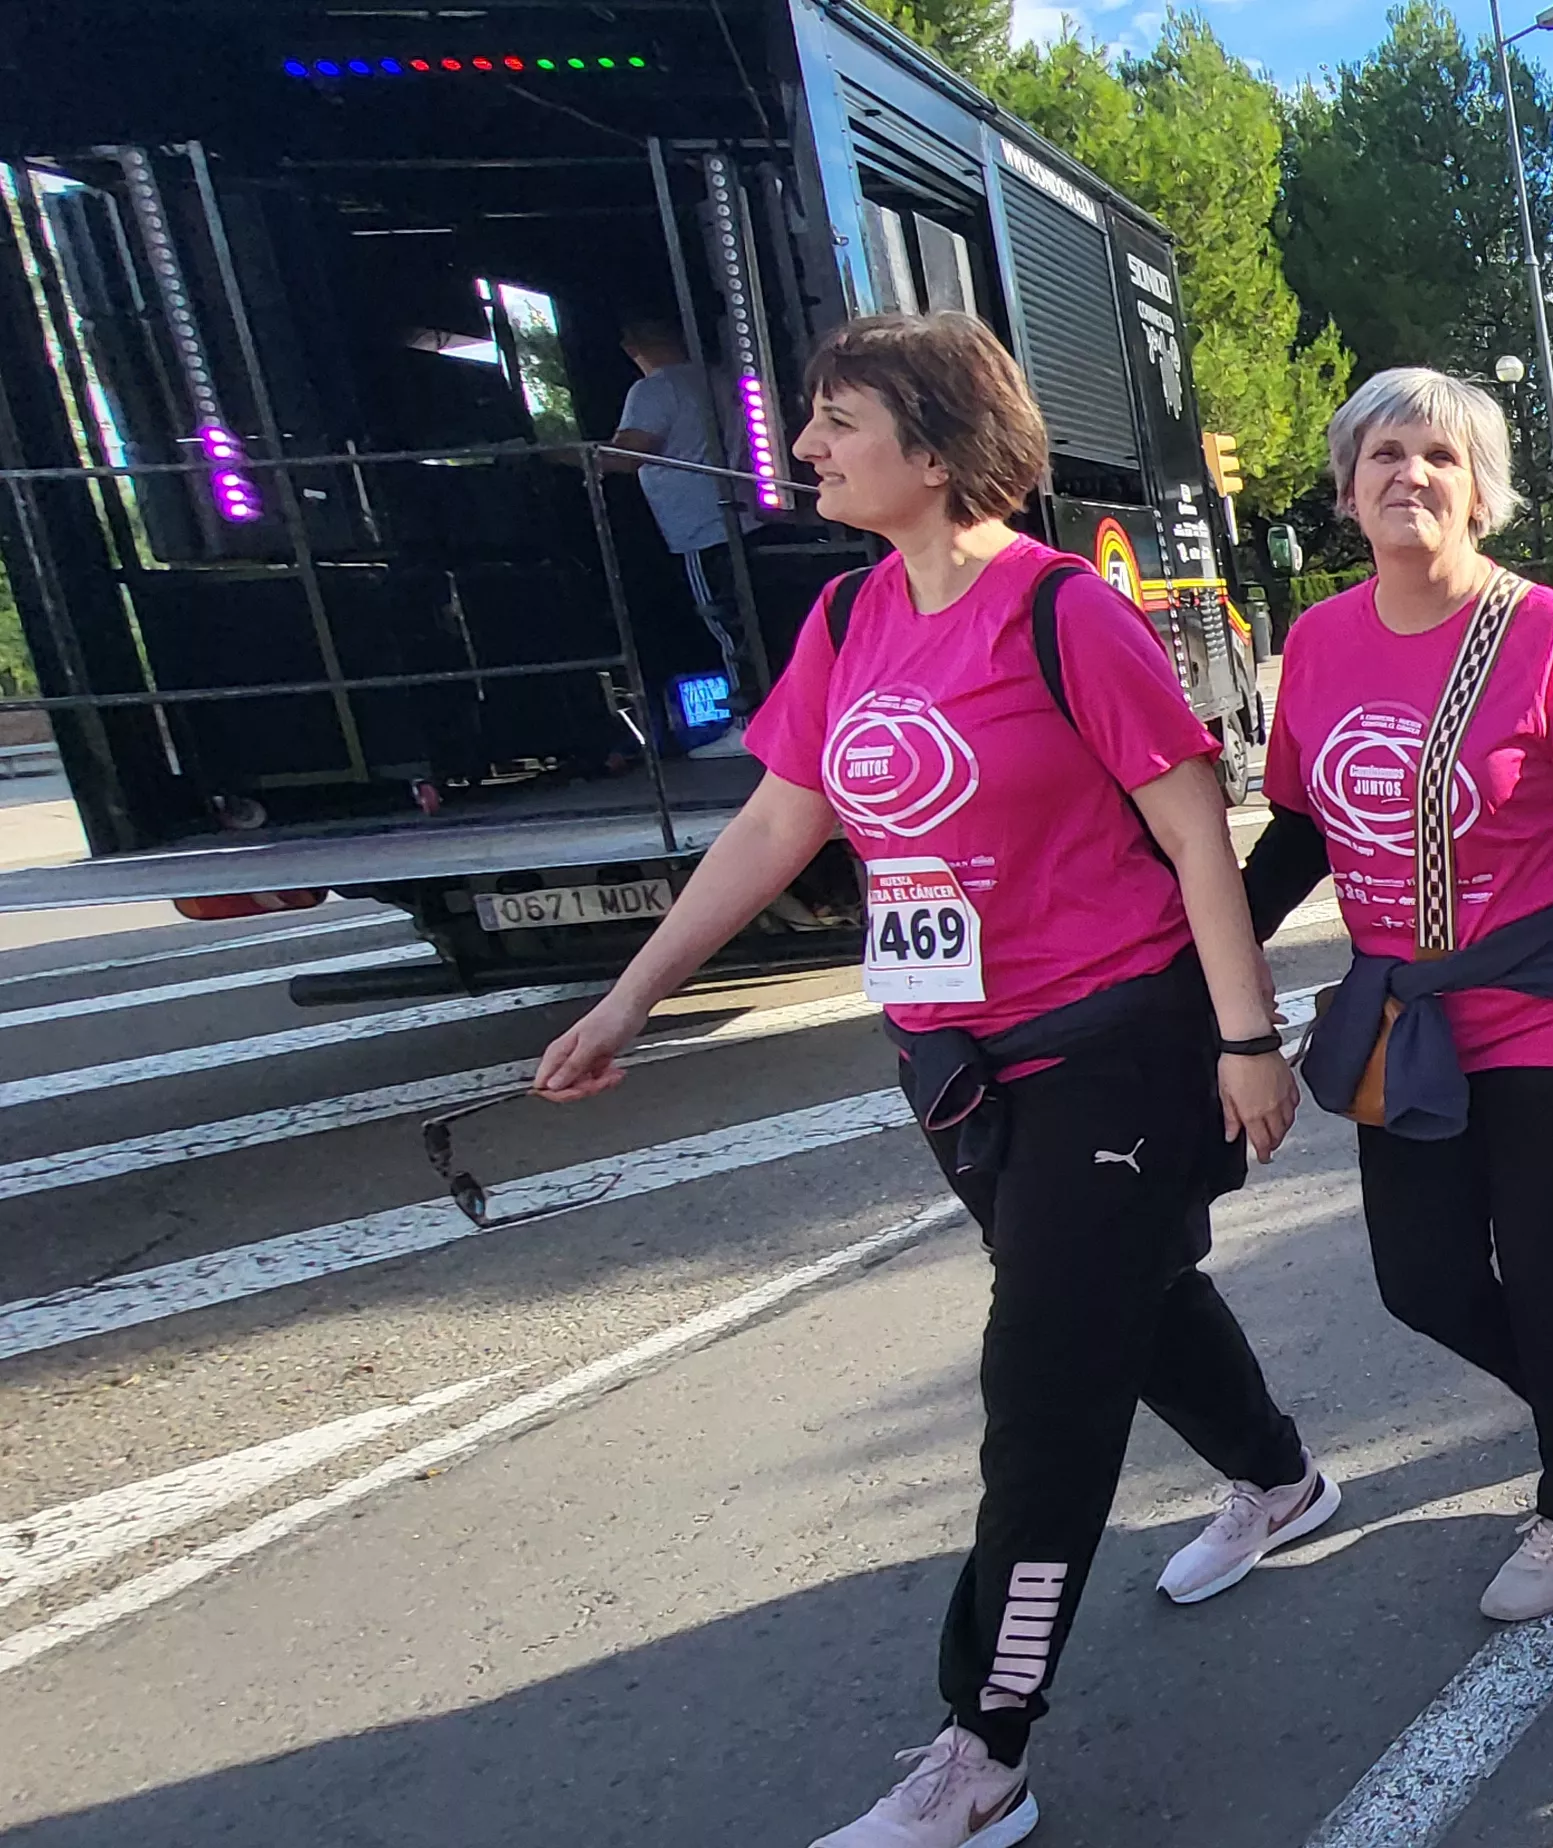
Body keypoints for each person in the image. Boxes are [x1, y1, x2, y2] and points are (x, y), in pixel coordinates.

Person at [530, 313, 1320, 1848]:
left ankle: (987, 1743)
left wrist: (1247, 1040)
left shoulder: (1068, 615)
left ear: (940, 446)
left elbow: (1191, 838)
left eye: (838, 421)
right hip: (955, 1059)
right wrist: (630, 1000)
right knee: (1125, 1294)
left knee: (1042, 1392)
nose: (808, 448)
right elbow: (776, 829)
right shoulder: (844, 621)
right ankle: (1280, 1483)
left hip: (1117, 1045)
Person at [1242, 367, 1553, 1630]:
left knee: (1545, 1265)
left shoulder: (1548, 632)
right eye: (1383, 454)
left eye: (1439, 456)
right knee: (1423, 1280)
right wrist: (1209, 952)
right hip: (1406, 1020)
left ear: (1481, 490)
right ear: (1347, 486)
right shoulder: (1320, 643)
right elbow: (1297, 834)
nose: (1409, 475)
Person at [601, 318, 755, 757]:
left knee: (726, 623)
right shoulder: (721, 377)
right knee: (754, 617)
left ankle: (748, 723)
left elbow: (626, 455)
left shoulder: (652, 390)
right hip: (746, 515)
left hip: (702, 524)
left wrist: (567, 455)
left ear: (634, 347)